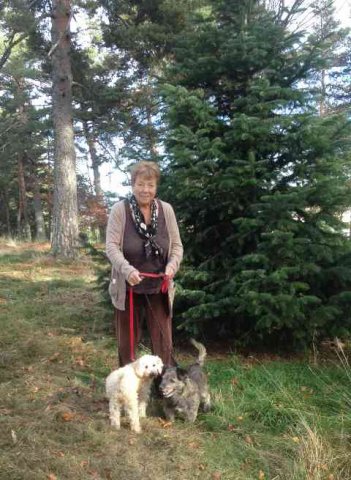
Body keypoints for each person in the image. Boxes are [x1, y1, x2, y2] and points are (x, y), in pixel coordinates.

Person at [106, 161, 183, 367]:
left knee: (163, 343)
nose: (145, 190)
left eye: (150, 185)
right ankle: (128, 390)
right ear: (133, 184)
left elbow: (176, 246)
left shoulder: (166, 210)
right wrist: (127, 270)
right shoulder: (120, 210)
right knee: (127, 345)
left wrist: (172, 266)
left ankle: (164, 386)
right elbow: (111, 247)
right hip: (128, 288)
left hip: (159, 287)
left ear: (156, 187)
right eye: (140, 184)